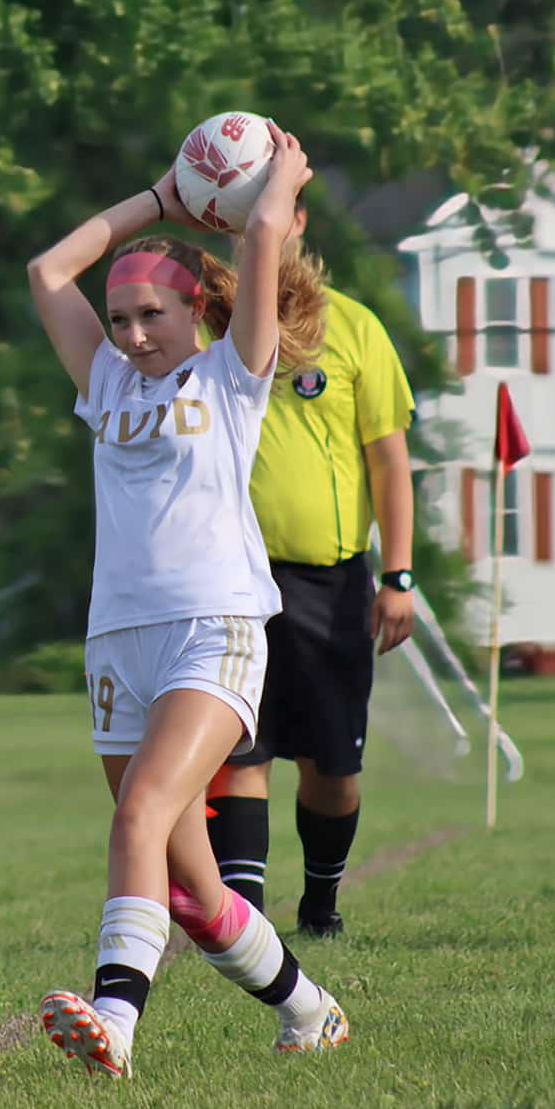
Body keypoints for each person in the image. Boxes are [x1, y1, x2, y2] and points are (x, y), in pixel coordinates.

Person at [24, 122, 349, 1080]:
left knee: (137, 822)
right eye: (122, 320)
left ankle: (115, 1024)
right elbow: (49, 273)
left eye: (152, 316)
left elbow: (257, 254)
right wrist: (159, 200)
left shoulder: (230, 377)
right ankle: (310, 1010)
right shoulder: (105, 384)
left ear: (196, 314)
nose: (131, 334)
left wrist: (276, 196)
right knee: (192, 892)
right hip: (117, 644)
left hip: (215, 630)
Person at [206, 196, 418, 939]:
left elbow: (389, 459)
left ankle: (321, 903)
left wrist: (400, 577)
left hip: (332, 583)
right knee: (239, 746)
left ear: (296, 220)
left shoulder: (354, 326)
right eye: (236, 218)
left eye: (268, 213)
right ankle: (244, 923)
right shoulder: (207, 324)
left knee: (332, 767)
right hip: (232, 580)